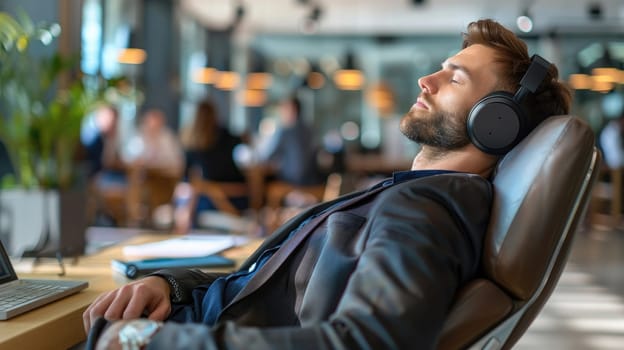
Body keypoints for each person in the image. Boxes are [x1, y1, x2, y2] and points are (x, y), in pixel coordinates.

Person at [83, 19, 572, 349]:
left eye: (455, 78)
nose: (426, 79)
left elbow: (369, 340)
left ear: (496, 123)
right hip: (187, 315)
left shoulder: (426, 209)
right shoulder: (417, 196)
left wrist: (147, 340)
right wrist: (170, 283)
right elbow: (269, 290)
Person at [172, 99, 248, 233]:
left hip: (219, 199)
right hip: (238, 196)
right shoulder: (227, 136)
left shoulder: (193, 145)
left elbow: (186, 178)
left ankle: (181, 231)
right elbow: (244, 142)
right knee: (197, 192)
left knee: (193, 193)